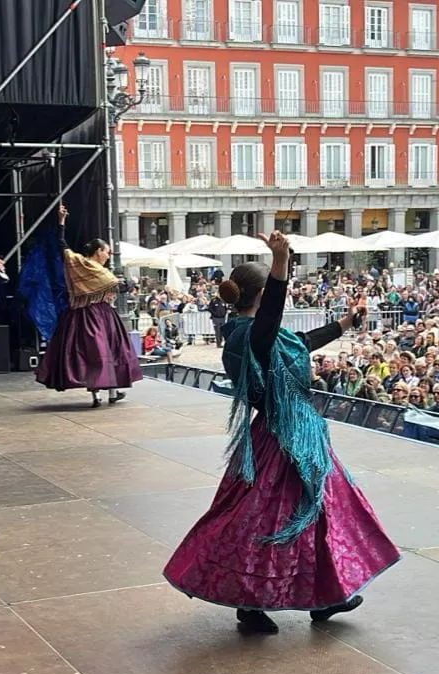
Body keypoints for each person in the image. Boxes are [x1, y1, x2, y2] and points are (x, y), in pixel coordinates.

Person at [163, 231, 399, 635]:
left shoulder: (250, 332)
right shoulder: (250, 333)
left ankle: (327, 595)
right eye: (272, 294)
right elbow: (273, 312)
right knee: (265, 519)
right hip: (283, 437)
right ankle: (253, 603)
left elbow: (301, 342)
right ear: (259, 295)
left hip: (295, 432)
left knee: (317, 514)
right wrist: (280, 261)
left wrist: (343, 323)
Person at [35, 205, 142, 408]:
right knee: (107, 352)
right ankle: (108, 393)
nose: (108, 256)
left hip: (79, 315)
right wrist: (131, 282)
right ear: (99, 251)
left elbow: (61, 244)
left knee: (94, 354)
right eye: (107, 252)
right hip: (99, 314)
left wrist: (61, 223)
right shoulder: (99, 272)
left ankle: (101, 395)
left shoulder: (76, 262)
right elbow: (119, 287)